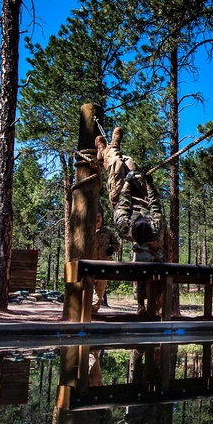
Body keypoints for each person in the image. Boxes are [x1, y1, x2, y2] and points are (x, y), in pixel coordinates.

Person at [95, 127, 167, 317]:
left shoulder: (124, 226)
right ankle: (106, 152)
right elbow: (155, 205)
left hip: (121, 196)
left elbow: (124, 202)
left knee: (118, 164)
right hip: (142, 196)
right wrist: (149, 185)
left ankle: (108, 148)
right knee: (131, 162)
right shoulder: (156, 227)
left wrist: (127, 182)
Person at [92, 210, 120, 313]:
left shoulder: (107, 232)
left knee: (99, 291)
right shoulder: (87, 231)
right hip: (89, 265)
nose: (98, 218)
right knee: (86, 290)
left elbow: (117, 245)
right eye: (96, 216)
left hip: (103, 265)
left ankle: (93, 311)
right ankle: (86, 312)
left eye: (99, 216)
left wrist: (112, 248)